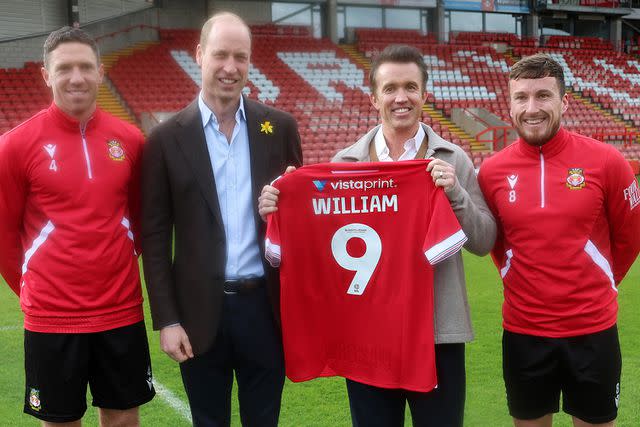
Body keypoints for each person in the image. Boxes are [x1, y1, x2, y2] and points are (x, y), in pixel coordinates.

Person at [259, 44, 496, 427]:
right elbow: (316, 250)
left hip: (436, 336)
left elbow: (485, 242)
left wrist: (456, 195)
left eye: (410, 87)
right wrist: (281, 205)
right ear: (374, 97)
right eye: (390, 89)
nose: (400, 98)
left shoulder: (453, 159)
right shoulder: (342, 167)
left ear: (424, 94)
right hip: (367, 336)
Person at [141, 11, 302, 427]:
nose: (231, 68)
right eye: (221, 55)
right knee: (208, 421)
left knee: (263, 420)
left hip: (264, 310)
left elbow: (300, 227)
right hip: (197, 315)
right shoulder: (165, 138)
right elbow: (155, 238)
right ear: (199, 55)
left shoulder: (279, 128)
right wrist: (168, 320)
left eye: (241, 57)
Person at [0, 27, 154, 426]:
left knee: (123, 418)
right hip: (51, 317)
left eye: (86, 67)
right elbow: (4, 234)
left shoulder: (131, 140)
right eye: (64, 68)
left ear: (101, 72)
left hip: (120, 312)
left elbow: (139, 218)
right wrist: (38, 289)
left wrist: (113, 265)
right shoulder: (16, 145)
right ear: (46, 75)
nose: (76, 77)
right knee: (60, 420)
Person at [478, 53, 640, 427]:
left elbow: (630, 238)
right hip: (523, 333)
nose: (531, 108)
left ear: (564, 101)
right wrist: (514, 274)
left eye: (543, 96)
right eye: (521, 98)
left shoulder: (607, 161)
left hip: (593, 331)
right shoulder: (491, 171)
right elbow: (497, 243)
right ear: (510, 103)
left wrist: (598, 284)